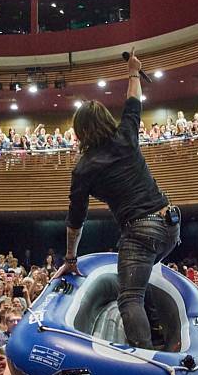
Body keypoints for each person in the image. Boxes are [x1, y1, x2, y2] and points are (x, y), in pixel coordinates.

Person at [54, 47, 181, 350]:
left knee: (129, 297)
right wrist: (133, 71)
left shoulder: (84, 169)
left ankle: (148, 358)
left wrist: (71, 258)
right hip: (171, 224)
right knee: (140, 282)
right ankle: (161, 338)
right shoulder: (125, 135)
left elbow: (75, 220)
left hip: (141, 230)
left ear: (80, 131)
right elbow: (134, 101)